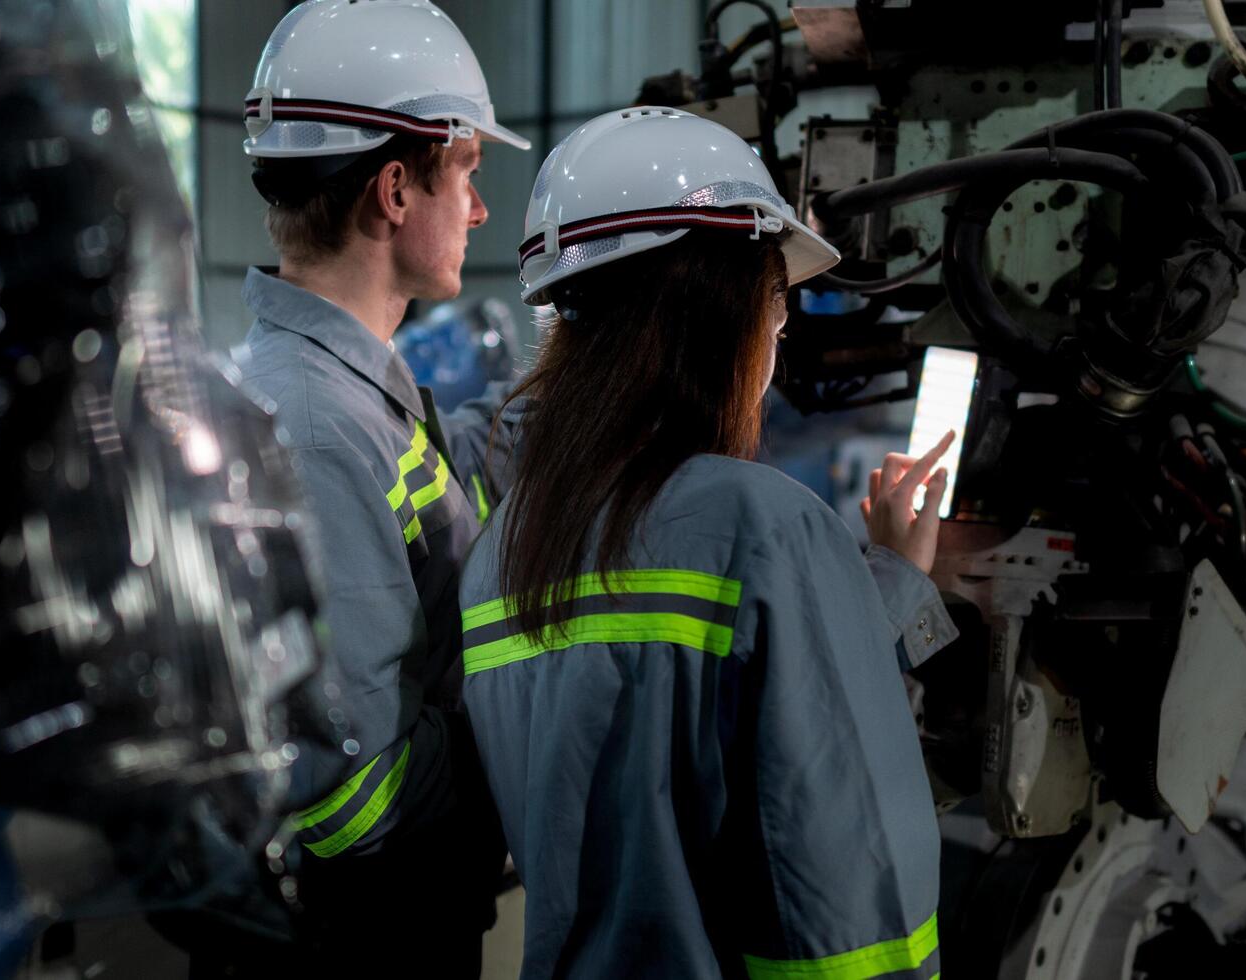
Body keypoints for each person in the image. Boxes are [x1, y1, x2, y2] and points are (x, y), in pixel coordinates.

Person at [460, 106, 959, 979]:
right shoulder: (768, 525)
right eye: (774, 300)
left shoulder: (500, 552)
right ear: (712, 304)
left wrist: (882, 585)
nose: (777, 331)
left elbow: (686, 714)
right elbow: (851, 910)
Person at [163, 2, 531, 974]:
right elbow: (347, 792)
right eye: (470, 174)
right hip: (365, 938)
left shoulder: (337, 387)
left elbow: (443, 480)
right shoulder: (320, 426)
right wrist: (513, 729)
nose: (482, 211)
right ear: (397, 189)